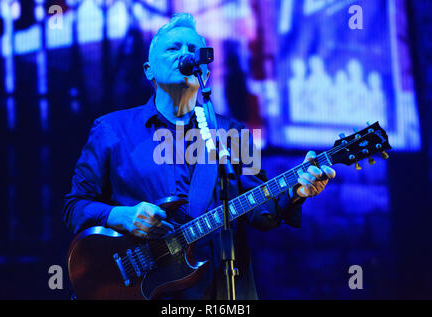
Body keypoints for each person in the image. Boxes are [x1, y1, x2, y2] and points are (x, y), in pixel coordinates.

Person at [63, 13, 336, 300]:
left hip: (219, 292)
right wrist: (120, 216)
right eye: (173, 48)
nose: (186, 55)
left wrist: (296, 191)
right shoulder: (111, 130)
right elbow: (74, 207)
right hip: (139, 289)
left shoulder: (233, 132)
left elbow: (261, 212)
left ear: (204, 72)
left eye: (194, 51)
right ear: (149, 70)